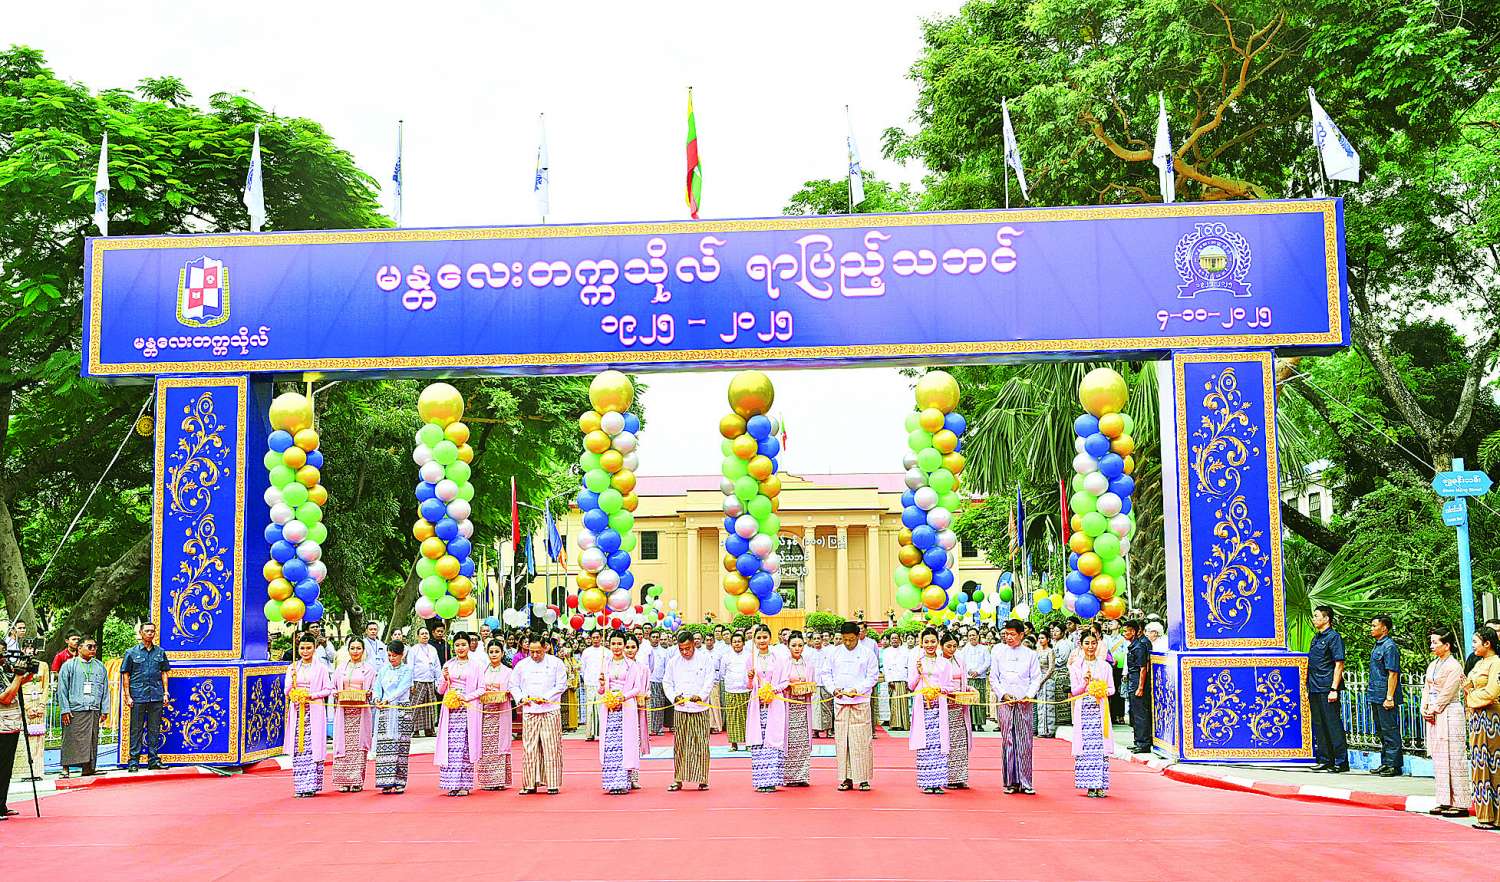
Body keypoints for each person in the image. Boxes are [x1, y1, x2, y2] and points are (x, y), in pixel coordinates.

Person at [822, 622, 877, 791]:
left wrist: (857, 690)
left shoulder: (867, 654)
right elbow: (826, 674)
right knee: (842, 741)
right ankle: (846, 778)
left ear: (858, 636)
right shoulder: (834, 653)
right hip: (841, 702)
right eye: (845, 639)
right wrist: (833, 689)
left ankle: (863, 778)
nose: (848, 643)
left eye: (851, 639)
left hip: (860, 702)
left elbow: (872, 676)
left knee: (861, 740)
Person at [990, 619, 1042, 794]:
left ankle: (1026, 782)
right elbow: (993, 678)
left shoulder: (1030, 654)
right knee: (1008, 740)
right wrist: (1003, 694)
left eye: (1013, 634)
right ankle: (1011, 782)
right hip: (1005, 702)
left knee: (1024, 741)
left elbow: (1036, 678)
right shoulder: (998, 652)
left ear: (1021, 634)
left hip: (1024, 702)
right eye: (1006, 634)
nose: (1009, 637)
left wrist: (1029, 695)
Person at [1420, 630, 1467, 817]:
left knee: (1454, 757)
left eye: (1435, 643)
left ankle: (1460, 803)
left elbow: (1448, 692)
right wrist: (1424, 707)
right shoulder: (1433, 665)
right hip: (1435, 713)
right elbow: (1426, 688)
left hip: (1450, 712)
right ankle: (1443, 800)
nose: (1432, 646)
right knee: (1439, 758)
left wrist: (1434, 708)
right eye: (1431, 642)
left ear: (1446, 645)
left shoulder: (1454, 666)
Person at [512, 634, 567, 795]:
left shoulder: (556, 663)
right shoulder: (522, 665)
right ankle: (529, 783)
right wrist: (521, 698)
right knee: (529, 747)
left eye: (538, 652)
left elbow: (561, 685)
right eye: (532, 652)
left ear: (546, 648)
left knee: (551, 746)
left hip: (550, 709)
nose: (535, 655)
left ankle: (552, 783)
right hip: (530, 710)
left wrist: (547, 697)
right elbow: (513, 685)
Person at [908, 627, 959, 794]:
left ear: (938, 642)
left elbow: (950, 686)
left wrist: (940, 689)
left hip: (938, 707)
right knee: (925, 745)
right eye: (926, 642)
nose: (930, 645)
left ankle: (937, 782)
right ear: (921, 643)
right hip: (923, 706)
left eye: (933, 641)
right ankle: (926, 782)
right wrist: (918, 673)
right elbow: (911, 685)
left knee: (938, 744)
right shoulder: (917, 661)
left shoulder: (944, 663)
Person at [284, 632, 334, 797]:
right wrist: (293, 692)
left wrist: (312, 695)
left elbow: (328, 689)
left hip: (314, 710)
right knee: (299, 748)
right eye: (302, 648)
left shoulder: (321, 668)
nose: (305, 651)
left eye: (308, 648)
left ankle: (311, 785)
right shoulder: (293, 668)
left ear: (314, 648)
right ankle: (300, 786)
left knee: (312, 747)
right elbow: (286, 690)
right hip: (298, 711)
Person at [597, 631, 647, 795]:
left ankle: (624, 782)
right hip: (609, 709)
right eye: (613, 644)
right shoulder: (605, 663)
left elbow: (637, 688)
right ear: (609, 645)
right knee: (610, 745)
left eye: (619, 644)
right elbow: (601, 690)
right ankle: (611, 782)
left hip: (626, 707)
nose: (616, 647)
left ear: (624, 645)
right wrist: (602, 685)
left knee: (625, 745)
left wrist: (623, 697)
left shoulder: (631, 665)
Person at [662, 630, 713, 790]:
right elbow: (667, 683)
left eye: (688, 648)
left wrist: (701, 696)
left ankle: (702, 779)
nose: (685, 652)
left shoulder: (705, 659)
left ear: (694, 644)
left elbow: (709, 680)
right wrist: (674, 697)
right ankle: (678, 779)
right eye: (681, 649)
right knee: (680, 744)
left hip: (700, 708)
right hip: (681, 708)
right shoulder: (673, 662)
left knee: (701, 744)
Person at [436, 632, 482, 797]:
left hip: (467, 709)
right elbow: (440, 690)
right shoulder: (448, 665)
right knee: (451, 747)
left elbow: (481, 688)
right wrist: (444, 678)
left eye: (463, 644)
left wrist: (466, 697)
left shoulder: (476, 665)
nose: (460, 648)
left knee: (465, 747)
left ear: (469, 645)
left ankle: (464, 785)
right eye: (457, 645)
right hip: (451, 710)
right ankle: (451, 784)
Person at [1069, 631, 1114, 797]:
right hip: (1084, 711)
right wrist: (1085, 683)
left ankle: (1100, 785)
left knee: (1100, 747)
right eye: (1087, 643)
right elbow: (1075, 691)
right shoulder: (1076, 666)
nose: (1090, 647)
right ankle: (1089, 785)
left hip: (1100, 710)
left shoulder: (1105, 666)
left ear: (1098, 644)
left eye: (1093, 643)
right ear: (1081, 645)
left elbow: (1112, 688)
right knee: (1086, 747)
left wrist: (1102, 691)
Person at [121, 621, 170, 772]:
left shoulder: (160, 652)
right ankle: (133, 761)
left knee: (154, 728)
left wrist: (165, 692)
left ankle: (153, 759)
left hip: (156, 695)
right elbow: (126, 674)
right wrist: (127, 695)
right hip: (138, 695)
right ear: (141, 633)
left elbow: (164, 673)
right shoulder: (131, 652)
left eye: (152, 631)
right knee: (136, 729)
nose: (150, 633)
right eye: (147, 631)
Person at [746, 623, 788, 792]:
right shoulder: (751, 658)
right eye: (759, 638)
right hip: (758, 705)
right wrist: (750, 678)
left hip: (774, 703)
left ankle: (771, 780)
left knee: (773, 740)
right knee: (759, 742)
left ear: (770, 638)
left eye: (765, 637)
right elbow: (748, 686)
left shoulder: (778, 658)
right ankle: (760, 781)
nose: (762, 640)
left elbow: (785, 681)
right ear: (754, 640)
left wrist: (772, 690)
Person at [1306, 605, 1349, 772]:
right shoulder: (1316, 638)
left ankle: (1341, 761)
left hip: (1327, 687)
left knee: (1333, 724)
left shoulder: (1334, 637)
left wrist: (1334, 689)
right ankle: (1325, 759)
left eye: (1316, 616)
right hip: (1314, 686)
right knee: (1319, 724)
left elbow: (1339, 664)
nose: (1314, 619)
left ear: (1326, 619)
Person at [57, 637, 108, 778]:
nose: (93, 649)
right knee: (70, 739)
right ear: (79, 648)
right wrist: (65, 709)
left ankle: (88, 768)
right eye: (89, 646)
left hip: (93, 708)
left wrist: (104, 709)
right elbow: (62, 689)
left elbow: (105, 689)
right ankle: (65, 768)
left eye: (95, 647)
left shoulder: (100, 666)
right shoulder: (69, 665)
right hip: (75, 709)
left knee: (91, 739)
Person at [1466, 626, 1500, 829]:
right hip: (1477, 717)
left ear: (1487, 644)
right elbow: (1467, 684)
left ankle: (1496, 815)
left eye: (1475, 642)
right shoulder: (1479, 663)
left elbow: (1492, 692)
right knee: (1480, 764)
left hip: (1492, 718)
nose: (1473, 646)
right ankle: (1484, 814)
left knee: (1493, 763)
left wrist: (1471, 696)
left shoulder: (1496, 663)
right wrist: (1471, 695)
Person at [332, 637, 376, 792]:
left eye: (358, 648)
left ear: (363, 650)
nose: (355, 651)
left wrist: (369, 693)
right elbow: (332, 687)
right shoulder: (340, 669)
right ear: (348, 650)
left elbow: (374, 689)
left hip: (360, 712)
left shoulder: (369, 669)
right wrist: (336, 693)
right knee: (342, 745)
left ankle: (357, 781)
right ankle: (343, 781)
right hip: (344, 711)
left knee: (358, 746)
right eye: (352, 648)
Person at [372, 641, 414, 794]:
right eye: (389, 655)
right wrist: (377, 699)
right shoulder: (383, 670)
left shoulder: (407, 670)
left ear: (402, 655)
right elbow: (377, 687)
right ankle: (385, 781)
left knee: (401, 745)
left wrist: (388, 700)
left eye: (395, 656)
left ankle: (399, 781)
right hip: (385, 710)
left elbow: (402, 688)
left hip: (401, 709)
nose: (391, 658)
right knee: (385, 745)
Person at [476, 639, 514, 792]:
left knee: (500, 744)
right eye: (491, 652)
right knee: (485, 745)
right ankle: (487, 780)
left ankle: (499, 780)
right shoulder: (482, 671)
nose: (494, 655)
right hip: (485, 713)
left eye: (497, 652)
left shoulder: (508, 672)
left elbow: (513, 689)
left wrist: (506, 692)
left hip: (501, 711)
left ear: (502, 653)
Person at [1368, 615, 1403, 776]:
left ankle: (1394, 765)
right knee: (1381, 731)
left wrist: (1389, 697)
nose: (1372, 628)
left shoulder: (1389, 647)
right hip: (1376, 693)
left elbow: (1393, 673)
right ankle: (1386, 762)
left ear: (1384, 628)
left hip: (1385, 695)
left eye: (1374, 626)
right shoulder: (1378, 645)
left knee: (1390, 730)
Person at [0, 658, 35, 818]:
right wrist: (19, 676)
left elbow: (16, 685)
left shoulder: (3, 669)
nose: (4, 656)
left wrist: (28, 672)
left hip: (10, 725)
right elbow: (5, 698)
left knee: (6, 769)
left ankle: (1, 805)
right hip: (2, 725)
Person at [783, 632, 817, 787]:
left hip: (803, 705)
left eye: (800, 645)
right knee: (790, 741)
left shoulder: (808, 663)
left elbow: (812, 682)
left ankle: (802, 776)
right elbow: (779, 683)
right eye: (794, 645)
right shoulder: (784, 663)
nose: (797, 648)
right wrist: (788, 686)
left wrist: (808, 687)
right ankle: (789, 777)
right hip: (789, 706)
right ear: (788, 646)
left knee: (803, 741)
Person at [941, 632, 972, 789]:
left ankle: (960, 776)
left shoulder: (960, 660)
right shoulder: (938, 662)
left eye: (954, 646)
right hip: (944, 705)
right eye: (948, 646)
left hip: (959, 705)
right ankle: (947, 778)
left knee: (960, 741)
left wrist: (968, 689)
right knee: (947, 741)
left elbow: (963, 681)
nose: (952, 649)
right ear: (941, 646)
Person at [624, 633, 650, 790]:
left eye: (633, 647)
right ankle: (621, 777)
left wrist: (645, 695)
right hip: (620, 708)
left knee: (635, 742)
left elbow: (647, 688)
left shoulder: (643, 668)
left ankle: (633, 777)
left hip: (638, 709)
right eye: (627, 647)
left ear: (638, 649)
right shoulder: (617, 666)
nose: (630, 650)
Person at [1123, 620, 1152, 754]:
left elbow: (1143, 668)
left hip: (1137, 682)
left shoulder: (1139, 647)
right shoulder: (1133, 646)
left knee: (1140, 714)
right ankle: (1137, 740)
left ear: (1133, 631)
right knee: (1134, 713)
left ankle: (1143, 743)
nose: (1124, 633)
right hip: (1132, 681)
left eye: (1126, 631)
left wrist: (1140, 687)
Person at [407, 627, 441, 739]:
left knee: (430, 706)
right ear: (418, 636)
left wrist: (438, 681)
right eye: (422, 634)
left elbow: (437, 666)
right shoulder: (413, 650)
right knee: (416, 706)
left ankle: (429, 730)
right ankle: (414, 730)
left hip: (430, 681)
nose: (425, 635)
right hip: (418, 681)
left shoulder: (432, 649)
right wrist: (411, 683)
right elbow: (410, 667)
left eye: (426, 633)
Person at [723, 631, 751, 751]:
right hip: (731, 690)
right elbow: (723, 673)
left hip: (746, 690)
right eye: (734, 642)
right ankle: (734, 744)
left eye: (739, 641)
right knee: (732, 718)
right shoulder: (726, 656)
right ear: (731, 644)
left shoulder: (749, 655)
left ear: (743, 643)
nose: (737, 644)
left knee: (747, 717)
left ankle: (749, 743)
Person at [960, 631, 991, 732]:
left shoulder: (984, 648)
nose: (972, 637)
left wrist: (978, 671)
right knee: (970, 701)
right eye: (970, 635)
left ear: (978, 636)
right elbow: (962, 662)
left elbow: (987, 662)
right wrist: (969, 671)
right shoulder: (965, 649)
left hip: (980, 678)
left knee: (980, 700)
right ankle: (971, 723)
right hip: (969, 678)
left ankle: (980, 723)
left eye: (974, 635)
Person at [580, 630, 606, 741]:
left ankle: (602, 732)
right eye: (593, 637)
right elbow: (583, 668)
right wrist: (586, 679)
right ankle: (589, 733)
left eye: (597, 637)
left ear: (601, 638)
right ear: (590, 639)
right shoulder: (586, 652)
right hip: (590, 682)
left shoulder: (606, 652)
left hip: (602, 683)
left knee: (601, 708)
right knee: (590, 708)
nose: (595, 639)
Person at [883, 633, 910, 731]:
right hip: (892, 680)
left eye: (896, 638)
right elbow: (886, 667)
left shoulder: (905, 651)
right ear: (890, 640)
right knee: (893, 702)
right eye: (892, 638)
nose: (894, 640)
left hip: (903, 679)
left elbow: (908, 666)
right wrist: (889, 680)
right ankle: (895, 724)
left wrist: (908, 680)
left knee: (903, 702)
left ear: (899, 639)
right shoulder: (886, 651)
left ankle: (904, 724)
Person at [1034, 632, 1057, 738]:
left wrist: (1042, 680)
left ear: (1048, 639)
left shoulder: (1050, 651)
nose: (1040, 640)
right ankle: (1041, 730)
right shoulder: (1037, 652)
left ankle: (1049, 731)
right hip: (1038, 680)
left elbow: (1051, 668)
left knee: (1048, 706)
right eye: (1039, 638)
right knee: (1040, 706)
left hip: (1048, 681)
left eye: (1043, 638)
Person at [648, 631, 671, 736]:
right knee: (650, 705)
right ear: (649, 638)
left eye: (657, 637)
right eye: (653, 637)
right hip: (648, 681)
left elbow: (667, 668)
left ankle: (658, 728)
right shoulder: (646, 650)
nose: (655, 639)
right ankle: (649, 728)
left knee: (659, 704)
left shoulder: (664, 652)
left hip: (660, 681)